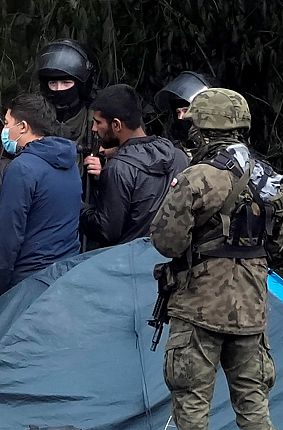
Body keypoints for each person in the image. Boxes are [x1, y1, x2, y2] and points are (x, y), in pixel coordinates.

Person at [150, 88, 283, 430]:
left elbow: (166, 240)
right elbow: (279, 242)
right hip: (251, 304)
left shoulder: (197, 177)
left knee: (192, 396)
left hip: (198, 303)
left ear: (203, 128)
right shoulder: (270, 180)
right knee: (253, 398)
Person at [80, 85, 187, 248]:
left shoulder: (118, 169)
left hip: (129, 262)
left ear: (116, 125)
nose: (94, 129)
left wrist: (79, 207)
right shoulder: (178, 156)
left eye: (98, 122)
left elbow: (106, 231)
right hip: (167, 259)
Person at [0, 94, 81, 295]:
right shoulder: (69, 162)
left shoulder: (22, 168)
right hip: (65, 274)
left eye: (7, 122)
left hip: (28, 281)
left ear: (23, 127)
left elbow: (9, 235)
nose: (4, 129)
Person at [36, 39, 96, 147]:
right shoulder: (37, 114)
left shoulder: (94, 118)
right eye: (53, 83)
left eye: (66, 83)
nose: (59, 89)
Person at [153, 71, 212, 151]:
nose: (180, 117)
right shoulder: (172, 133)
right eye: (178, 112)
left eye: (185, 111)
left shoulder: (215, 136)